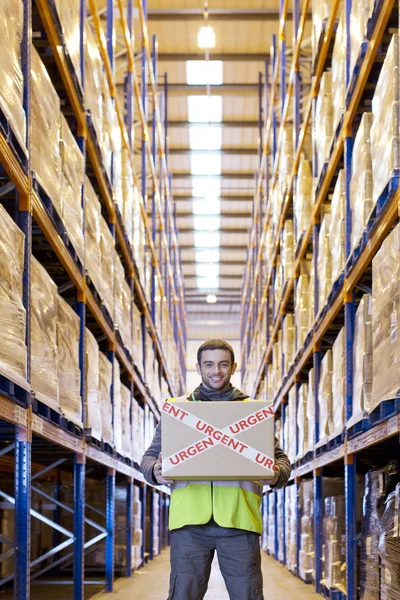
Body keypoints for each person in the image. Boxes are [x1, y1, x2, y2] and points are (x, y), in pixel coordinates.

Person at [140, 339, 291, 600]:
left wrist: (276, 473)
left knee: (248, 595)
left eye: (223, 364)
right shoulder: (178, 410)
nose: (216, 371)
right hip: (189, 525)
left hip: (239, 523)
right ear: (198, 368)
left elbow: (281, 460)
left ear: (233, 367)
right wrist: (154, 471)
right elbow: (149, 458)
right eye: (209, 364)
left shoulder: (252, 413)